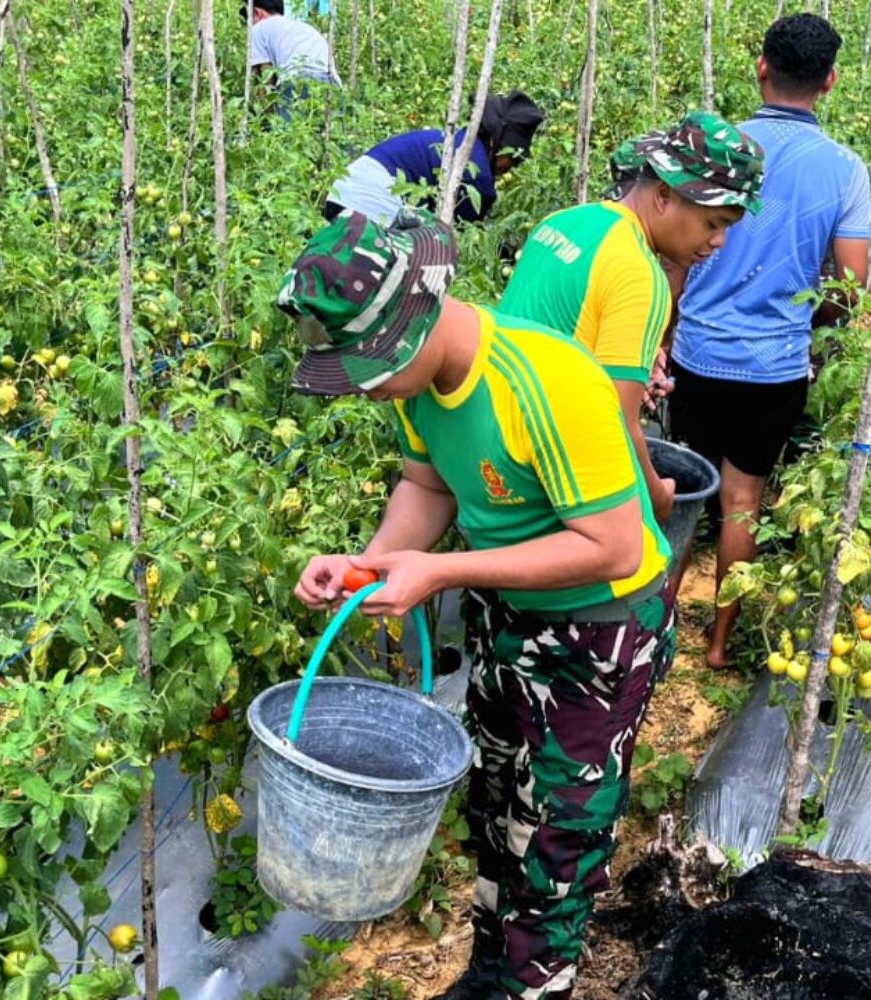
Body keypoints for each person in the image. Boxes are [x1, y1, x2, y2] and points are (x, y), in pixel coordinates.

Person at [280, 210, 676, 1000]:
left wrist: (443, 571)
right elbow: (427, 484)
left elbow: (614, 547)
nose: (368, 386)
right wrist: (377, 562)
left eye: (372, 365)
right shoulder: (417, 384)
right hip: (510, 613)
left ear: (420, 322)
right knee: (498, 811)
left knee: (555, 845)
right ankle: (492, 971)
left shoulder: (550, 382)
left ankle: (536, 984)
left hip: (599, 634)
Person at [668, 13, 871, 670]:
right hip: (775, 367)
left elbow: (670, 260)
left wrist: (666, 336)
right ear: (831, 81)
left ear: (761, 67)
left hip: (695, 355)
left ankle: (654, 631)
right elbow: (849, 289)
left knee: (678, 499)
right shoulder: (844, 170)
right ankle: (720, 642)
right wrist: (801, 324)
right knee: (743, 504)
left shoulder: (715, 151)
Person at [498, 111, 764, 525]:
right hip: (544, 480)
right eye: (713, 223)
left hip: (496, 451)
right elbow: (617, 424)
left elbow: (559, 330)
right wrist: (657, 494)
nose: (718, 242)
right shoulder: (639, 273)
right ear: (663, 195)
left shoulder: (566, 221)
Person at [324, 91, 545, 224]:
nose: (511, 168)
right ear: (496, 144)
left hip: (342, 192)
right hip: (370, 206)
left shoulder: (455, 141)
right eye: (513, 160)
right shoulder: (476, 174)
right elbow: (462, 235)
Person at [240, 0, 340, 120]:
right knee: (328, 134)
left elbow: (265, 81)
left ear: (257, 13)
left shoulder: (257, 30)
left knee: (290, 134)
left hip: (298, 81)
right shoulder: (302, 27)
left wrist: (264, 118)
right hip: (333, 83)